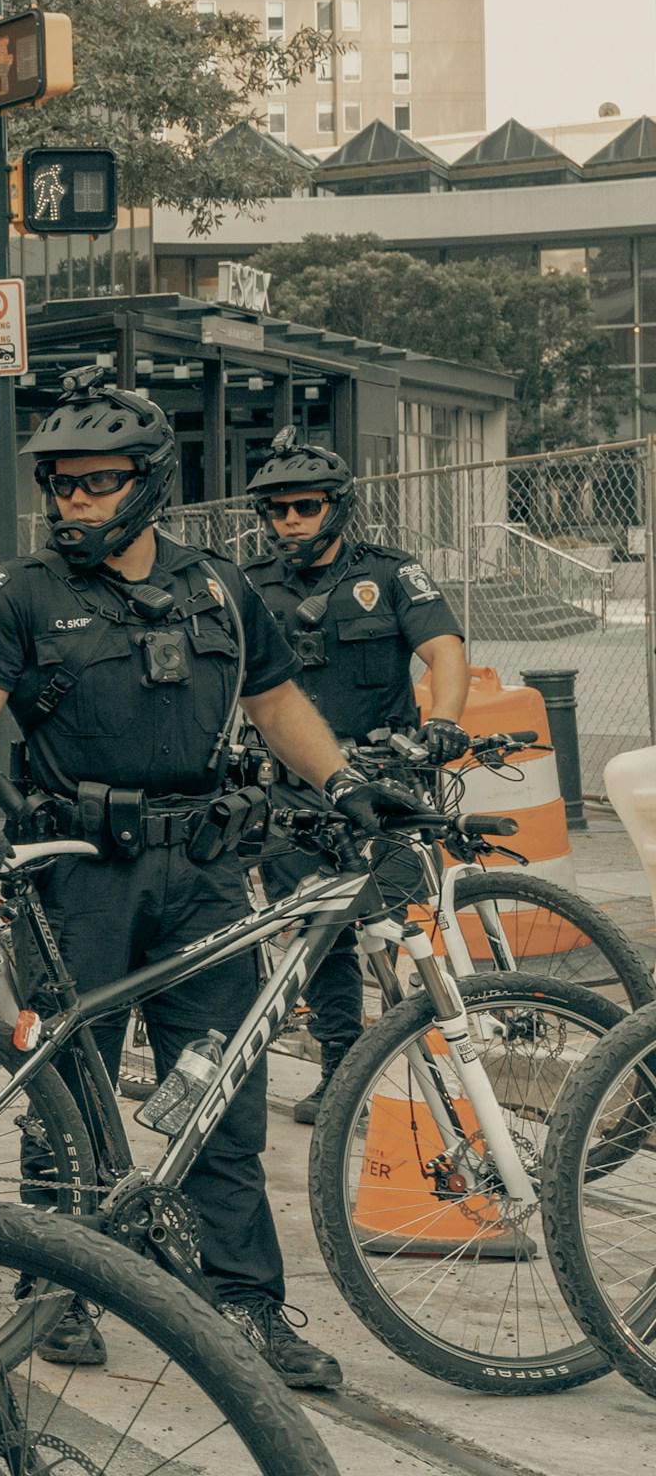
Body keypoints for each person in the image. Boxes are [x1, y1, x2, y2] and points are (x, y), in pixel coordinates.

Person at [0, 367, 415, 1391]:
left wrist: (346, 784)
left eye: (97, 483)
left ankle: (243, 1302)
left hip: (202, 870)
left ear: (149, 484)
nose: (73, 501)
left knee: (222, 1088)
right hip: (75, 876)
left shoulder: (221, 589)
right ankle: (56, 1289)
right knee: (70, 1084)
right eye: (60, 484)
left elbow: (278, 705)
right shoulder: (19, 594)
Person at [241, 427, 469, 1123]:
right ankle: (342, 1073)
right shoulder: (248, 585)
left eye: (304, 508)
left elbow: (444, 650)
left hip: (383, 783)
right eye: (277, 511)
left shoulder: (392, 574)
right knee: (320, 935)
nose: (289, 523)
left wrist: (445, 719)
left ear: (337, 508)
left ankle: (430, 1075)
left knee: (398, 929)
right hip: (294, 788)